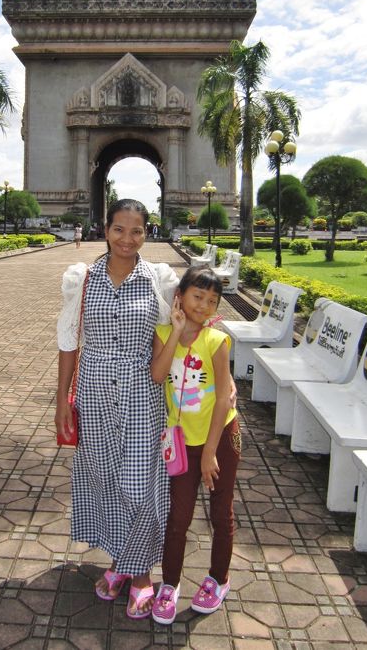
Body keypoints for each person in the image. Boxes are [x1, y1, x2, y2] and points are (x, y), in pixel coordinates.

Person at [55, 199, 178, 618]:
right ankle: (120, 564)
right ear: (105, 230)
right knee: (104, 476)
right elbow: (70, 341)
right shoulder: (83, 278)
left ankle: (141, 573)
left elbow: (188, 330)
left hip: (143, 392)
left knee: (142, 482)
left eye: (137, 231)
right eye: (119, 229)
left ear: (147, 233)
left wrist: (225, 382)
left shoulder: (159, 280)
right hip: (93, 391)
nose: (128, 239)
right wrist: (61, 400)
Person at [149, 265, 241, 625]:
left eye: (211, 301)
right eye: (197, 297)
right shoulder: (161, 333)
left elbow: (222, 399)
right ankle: (169, 585)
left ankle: (219, 579)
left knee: (221, 513)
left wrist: (210, 454)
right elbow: (158, 375)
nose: (202, 306)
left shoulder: (216, 341)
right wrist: (175, 331)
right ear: (180, 298)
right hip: (182, 442)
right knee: (179, 519)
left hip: (219, 440)